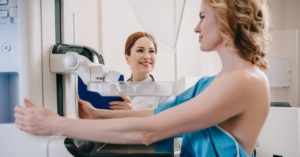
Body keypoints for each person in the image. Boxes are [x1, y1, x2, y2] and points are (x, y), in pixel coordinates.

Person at [14, 0, 271, 156]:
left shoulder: (246, 80)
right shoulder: (215, 81)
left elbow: (149, 132)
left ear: (226, 18)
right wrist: (98, 114)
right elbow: (159, 113)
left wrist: (57, 125)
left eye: (202, 17)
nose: (196, 27)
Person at [108, 32, 173, 110]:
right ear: (127, 58)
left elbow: (169, 121)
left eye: (151, 51)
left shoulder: (164, 92)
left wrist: (134, 112)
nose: (147, 56)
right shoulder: (117, 90)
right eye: (140, 50)